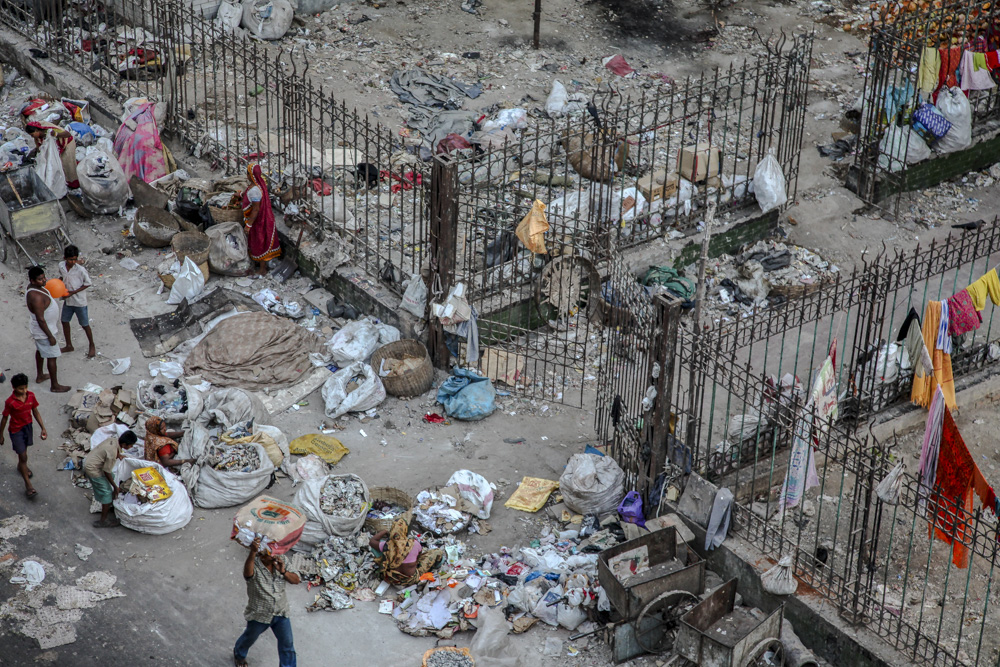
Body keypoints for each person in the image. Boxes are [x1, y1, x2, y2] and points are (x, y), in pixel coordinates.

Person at [234, 535, 299, 667]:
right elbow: (247, 573)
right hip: (260, 614)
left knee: (287, 646)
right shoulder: (254, 566)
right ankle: (239, 655)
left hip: (281, 612)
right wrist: (252, 552)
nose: (275, 555)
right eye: (271, 553)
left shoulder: (282, 561)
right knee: (249, 638)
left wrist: (284, 571)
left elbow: (296, 580)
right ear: (262, 555)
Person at [0, 373, 46, 498]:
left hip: (27, 428)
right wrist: (1, 435)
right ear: (14, 388)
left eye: (25, 387)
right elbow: (4, 418)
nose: (24, 391)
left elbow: (35, 411)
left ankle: (21, 467)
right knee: (23, 455)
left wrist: (43, 428)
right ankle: (28, 485)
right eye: (21, 388)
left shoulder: (31, 396)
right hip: (16, 431)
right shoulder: (10, 402)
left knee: (23, 456)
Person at [26, 266, 70, 393]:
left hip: (43, 330)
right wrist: (50, 336)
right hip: (44, 332)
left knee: (40, 351)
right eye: (40, 279)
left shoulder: (35, 288)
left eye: (44, 277)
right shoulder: (36, 297)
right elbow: (41, 319)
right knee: (52, 356)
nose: (44, 280)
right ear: (32, 281)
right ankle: (55, 385)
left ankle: (40, 375)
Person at [83, 430, 136, 528]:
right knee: (106, 492)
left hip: (91, 460)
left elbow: (106, 452)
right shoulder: (112, 453)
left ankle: (109, 504)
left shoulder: (113, 440)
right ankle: (103, 521)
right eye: (131, 445)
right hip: (92, 468)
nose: (131, 447)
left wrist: (119, 455)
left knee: (114, 477)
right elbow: (107, 472)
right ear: (124, 444)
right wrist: (115, 486)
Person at [369, 518, 443, 586]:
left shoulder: (387, 545)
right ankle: (435, 567)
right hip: (410, 580)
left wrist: (385, 531)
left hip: (390, 578)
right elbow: (419, 559)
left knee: (380, 547)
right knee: (437, 552)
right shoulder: (414, 544)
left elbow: (372, 541)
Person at [241, 163, 281, 277]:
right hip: (258, 220)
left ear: (251, 175)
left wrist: (249, 225)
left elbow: (256, 209)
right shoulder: (257, 185)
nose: (246, 175)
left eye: (248, 173)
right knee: (258, 241)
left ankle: (262, 269)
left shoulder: (255, 191)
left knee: (260, 242)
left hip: (259, 221)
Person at [59, 245, 95, 358]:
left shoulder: (80, 270)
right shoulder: (61, 266)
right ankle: (69, 345)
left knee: (85, 325)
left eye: (75, 259)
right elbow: (62, 277)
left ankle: (92, 345)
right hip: (68, 301)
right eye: (70, 259)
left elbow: (88, 283)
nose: (73, 262)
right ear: (65, 258)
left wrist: (73, 292)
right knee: (64, 321)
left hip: (79, 302)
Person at [25, 120, 79, 189]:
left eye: (32, 135)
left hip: (67, 144)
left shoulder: (50, 130)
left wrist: (56, 134)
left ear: (36, 130)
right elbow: (39, 147)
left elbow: (68, 134)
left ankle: (73, 184)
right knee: (60, 164)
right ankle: (63, 182)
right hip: (58, 148)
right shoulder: (37, 137)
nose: (32, 137)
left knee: (68, 164)